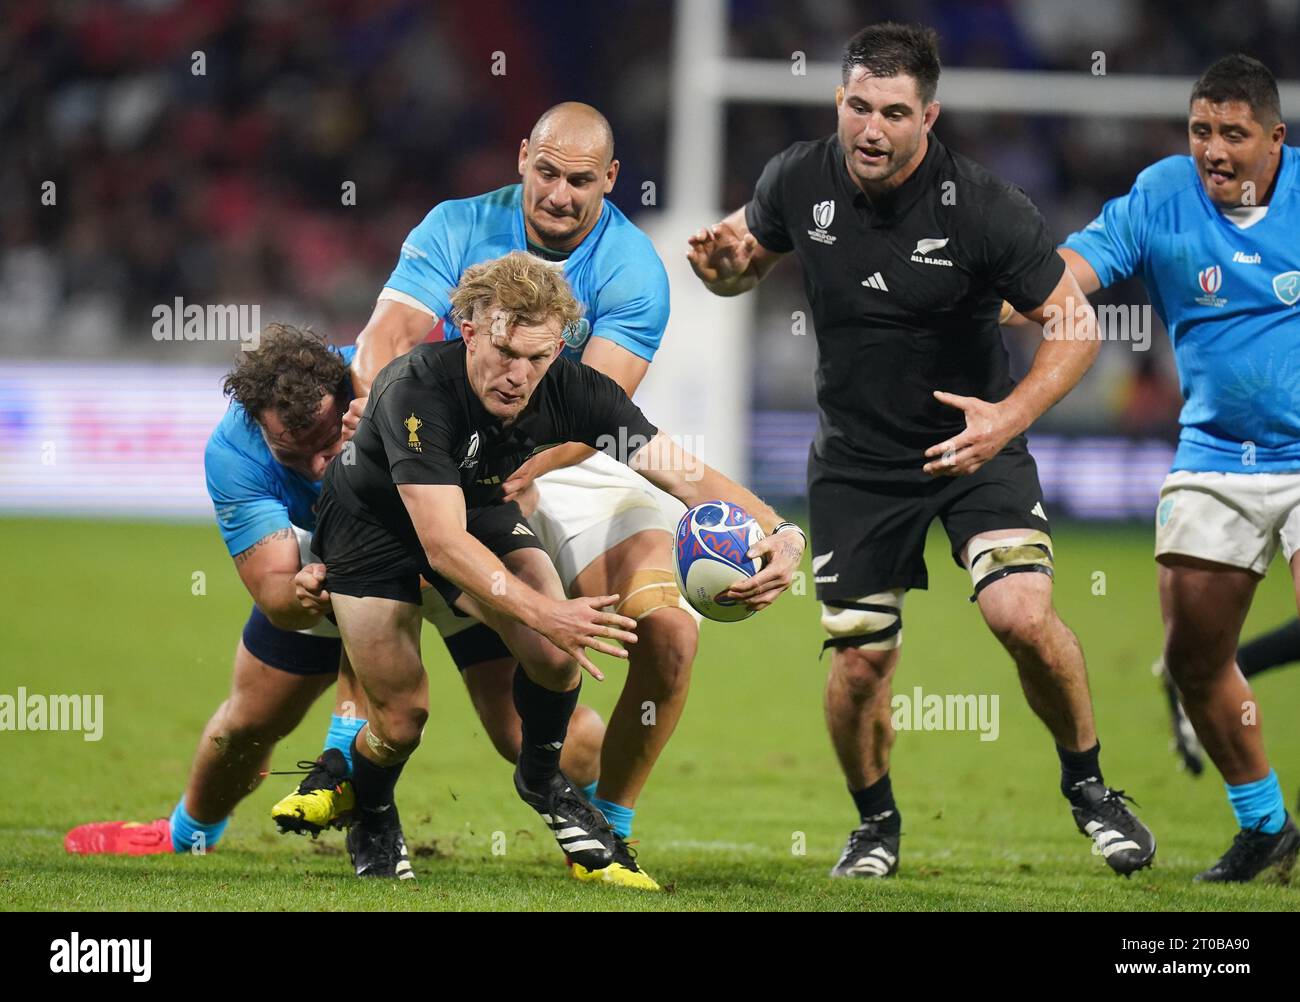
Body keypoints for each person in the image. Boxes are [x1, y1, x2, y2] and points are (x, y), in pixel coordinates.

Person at [686, 22, 1155, 879]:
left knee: (1019, 614)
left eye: (894, 113)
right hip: (858, 463)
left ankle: (1091, 789)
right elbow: (739, 264)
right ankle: (875, 826)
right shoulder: (796, 177)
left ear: (928, 117)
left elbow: (1076, 325)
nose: (872, 128)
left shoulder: (983, 207)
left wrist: (1008, 418)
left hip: (975, 443)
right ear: (838, 100)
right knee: (862, 659)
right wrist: (722, 269)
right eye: (858, 106)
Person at [311, 251, 805, 885]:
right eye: (505, 353)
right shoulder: (417, 390)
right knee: (402, 719)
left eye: (538, 358)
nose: (519, 375)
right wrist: (548, 612)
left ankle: (543, 782)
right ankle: (373, 806)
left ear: (560, 349)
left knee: (553, 651)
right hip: (373, 527)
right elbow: (442, 545)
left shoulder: (578, 393)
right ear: (468, 328)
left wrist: (783, 535)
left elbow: (691, 479)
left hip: (477, 503)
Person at [310, 102, 697, 887]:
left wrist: (771, 527)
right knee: (402, 708)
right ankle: (359, 777)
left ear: (610, 180)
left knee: (633, 642)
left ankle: (572, 798)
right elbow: (386, 336)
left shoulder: (633, 268)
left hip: (544, 462)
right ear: (522, 157)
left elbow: (594, 414)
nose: (557, 192)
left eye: (579, 180)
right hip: (413, 472)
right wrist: (389, 415)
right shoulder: (457, 225)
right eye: (545, 171)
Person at [1055, 53, 1299, 881]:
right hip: (1215, 456)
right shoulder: (1164, 193)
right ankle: (1266, 828)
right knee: (1194, 660)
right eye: (1202, 130)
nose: (1214, 151)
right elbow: (1071, 273)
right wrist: (1019, 291)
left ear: (1276, 138)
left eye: (1234, 134)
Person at [64, 325, 371, 856]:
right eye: (292, 456)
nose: (318, 468)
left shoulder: (382, 369)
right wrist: (301, 593)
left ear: (346, 392)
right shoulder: (235, 452)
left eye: (327, 443)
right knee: (249, 724)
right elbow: (276, 593)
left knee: (518, 720)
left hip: (456, 541)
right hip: (333, 553)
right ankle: (188, 836)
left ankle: (569, 815)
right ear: (260, 427)